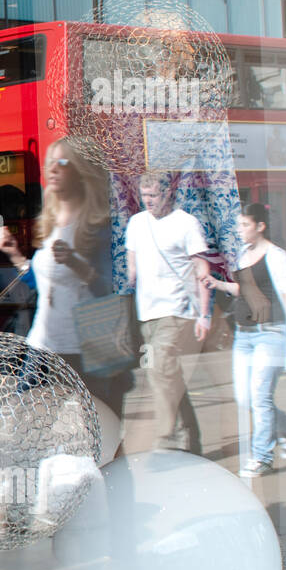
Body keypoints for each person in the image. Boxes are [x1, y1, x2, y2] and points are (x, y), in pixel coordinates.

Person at [0, 138, 128, 414]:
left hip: (83, 349)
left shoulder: (99, 227)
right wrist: (16, 256)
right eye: (49, 163)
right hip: (43, 346)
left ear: (81, 171)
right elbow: (45, 286)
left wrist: (78, 265)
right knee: (24, 422)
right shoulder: (51, 224)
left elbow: (116, 290)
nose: (52, 169)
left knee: (97, 428)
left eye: (62, 163)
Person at [202, 203, 286, 476]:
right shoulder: (243, 255)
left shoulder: (277, 256)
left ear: (260, 226)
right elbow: (243, 290)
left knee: (260, 397)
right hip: (244, 337)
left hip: (270, 334)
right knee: (245, 399)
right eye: (238, 225)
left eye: (245, 224)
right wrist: (219, 284)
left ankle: (262, 457)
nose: (240, 230)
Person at [124, 171, 213, 454]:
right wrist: (130, 275)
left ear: (168, 194)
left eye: (154, 195)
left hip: (177, 310)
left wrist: (206, 314)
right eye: (144, 195)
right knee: (167, 376)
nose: (148, 201)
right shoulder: (137, 223)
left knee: (160, 371)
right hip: (147, 312)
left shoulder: (187, 224)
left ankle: (167, 439)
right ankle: (192, 437)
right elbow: (132, 261)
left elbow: (202, 270)